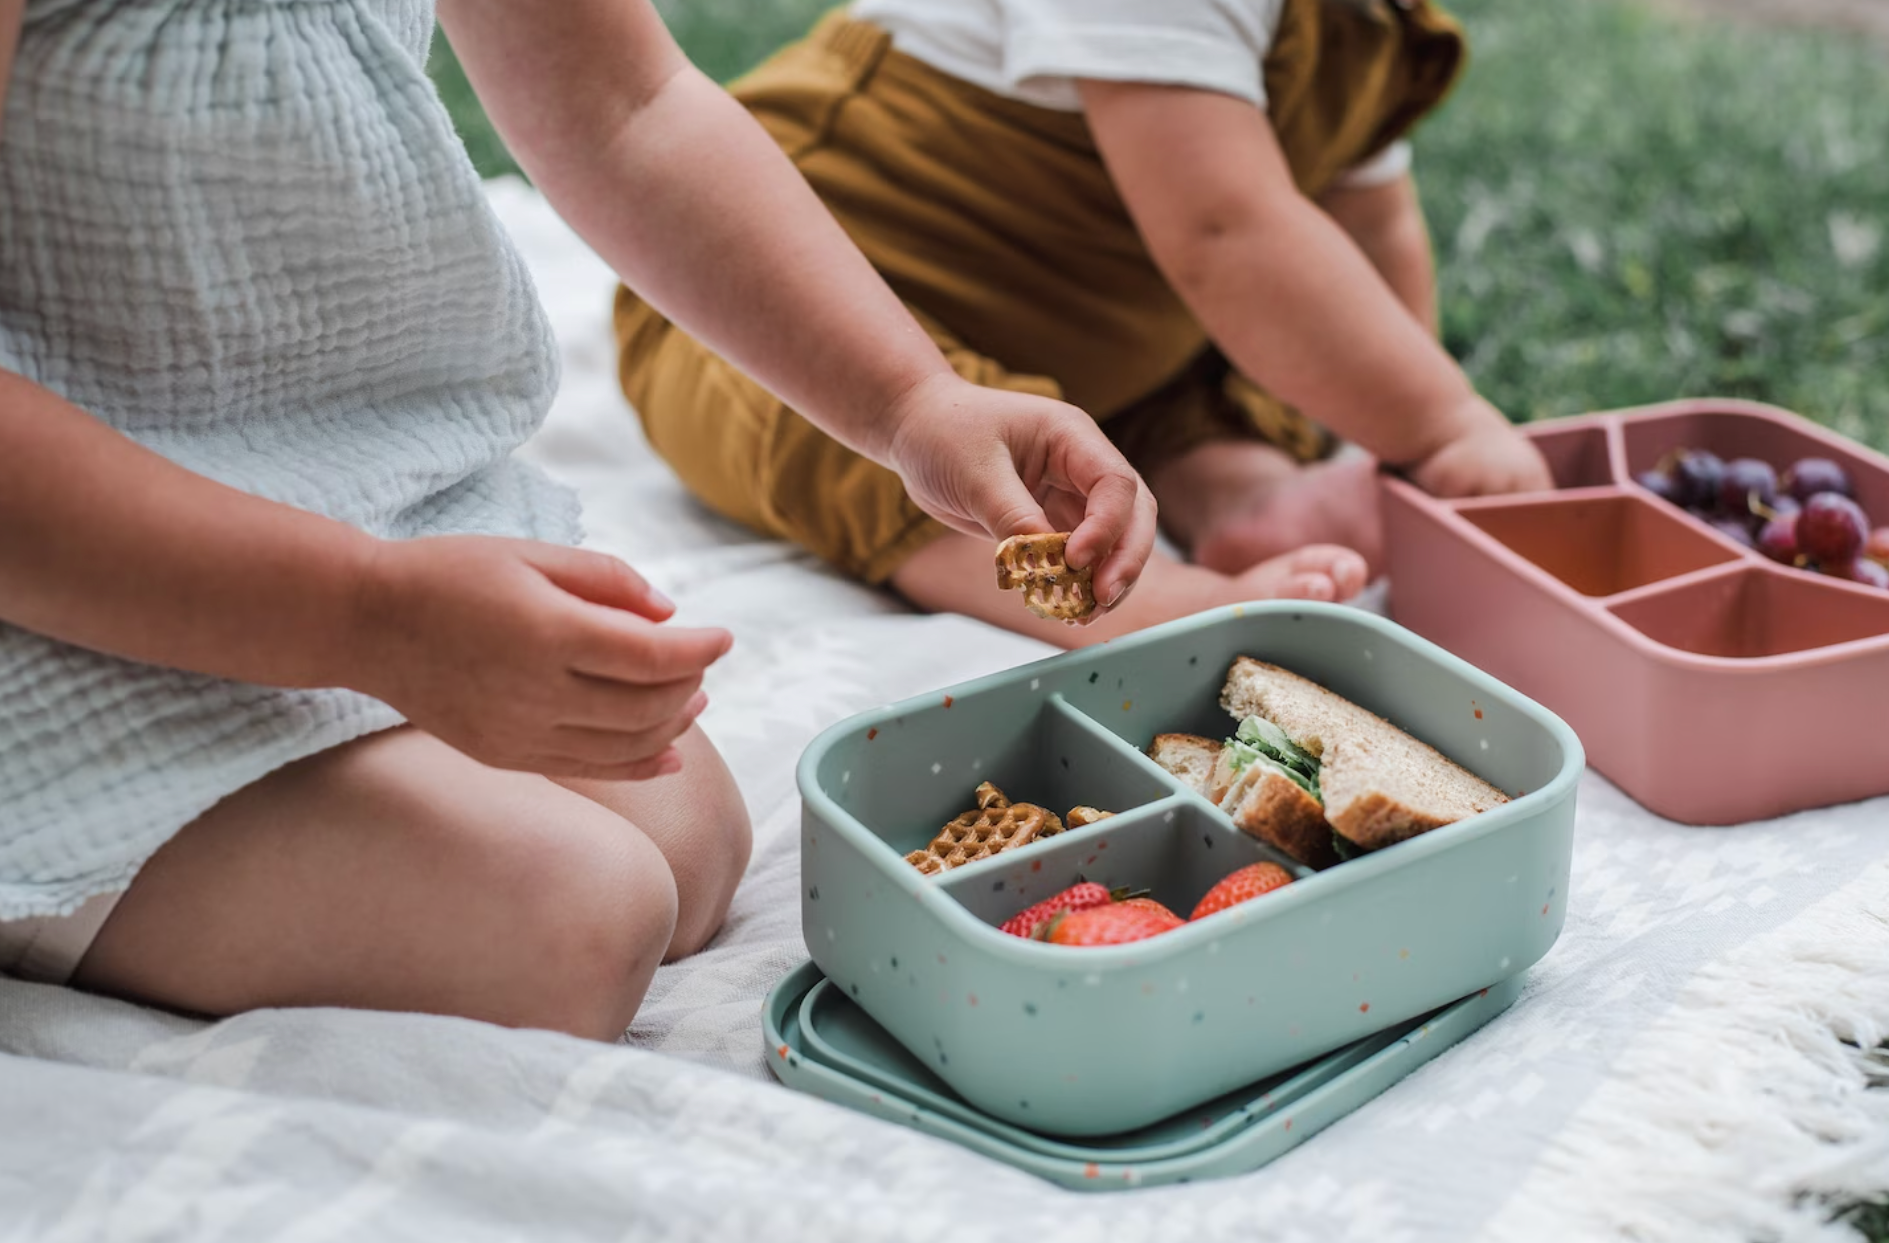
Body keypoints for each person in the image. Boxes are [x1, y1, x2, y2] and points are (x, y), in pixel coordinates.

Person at [0, 0, 1153, 1041]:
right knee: (574, 925)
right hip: (74, 564)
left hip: (322, 487)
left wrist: (912, 403)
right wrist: (365, 619)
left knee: (690, 843)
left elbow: (627, 106)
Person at [615, 0, 1558, 648]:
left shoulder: (1369, 22)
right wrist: (1446, 424)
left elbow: (1370, 220)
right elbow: (1224, 233)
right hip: (794, 305)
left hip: (1094, 337)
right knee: (898, 441)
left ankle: (1233, 491)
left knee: (1196, 372)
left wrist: (1401, 433)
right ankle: (1142, 598)